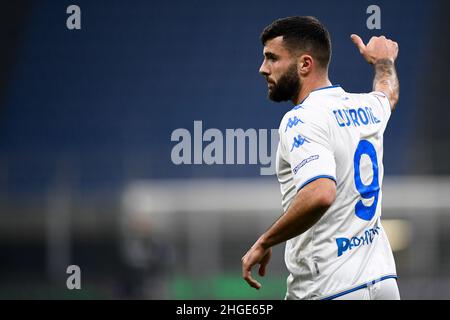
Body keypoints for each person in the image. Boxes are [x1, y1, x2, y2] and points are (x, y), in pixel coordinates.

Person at [241, 16, 400, 300]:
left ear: (305, 64)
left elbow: (320, 193)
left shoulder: (301, 119)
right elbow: (387, 95)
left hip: (328, 285)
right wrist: (383, 62)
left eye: (272, 58)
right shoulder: (365, 107)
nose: (262, 68)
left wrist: (265, 241)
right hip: (383, 281)